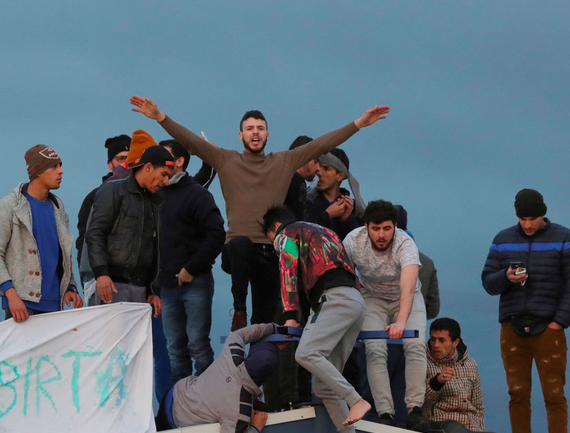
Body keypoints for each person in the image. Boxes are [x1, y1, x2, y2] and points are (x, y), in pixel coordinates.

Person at [130, 95, 389, 331]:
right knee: (241, 245)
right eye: (250, 128)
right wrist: (159, 116)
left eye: (260, 128)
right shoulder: (225, 159)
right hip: (237, 252)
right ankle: (239, 310)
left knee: (265, 322)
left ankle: (256, 347)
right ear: (240, 135)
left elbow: (323, 143)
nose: (255, 132)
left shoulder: (284, 161)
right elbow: (191, 141)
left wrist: (359, 123)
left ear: (267, 135)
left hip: (273, 252)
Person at [480, 188, 570, 433]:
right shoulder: (502, 240)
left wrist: (559, 322)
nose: (527, 224)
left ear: (543, 214)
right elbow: (488, 282)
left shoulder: (566, 239)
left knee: (554, 394)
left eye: (533, 218)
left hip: (549, 327)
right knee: (517, 394)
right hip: (512, 325)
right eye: (523, 219)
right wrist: (506, 277)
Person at [262, 205, 371, 433]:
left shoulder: (286, 234)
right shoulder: (325, 233)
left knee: (306, 353)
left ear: (275, 228)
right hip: (355, 302)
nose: (276, 247)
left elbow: (288, 273)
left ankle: (356, 400)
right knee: (323, 385)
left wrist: (290, 315)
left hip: (333, 299)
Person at [343, 200, 430, 429]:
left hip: (407, 296)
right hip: (372, 296)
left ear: (395, 226)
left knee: (415, 345)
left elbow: (408, 287)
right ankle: (385, 412)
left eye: (387, 228)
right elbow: (343, 273)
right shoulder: (353, 241)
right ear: (366, 227)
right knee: (374, 348)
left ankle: (414, 409)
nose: (381, 235)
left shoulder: (405, 244)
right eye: (376, 228)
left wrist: (401, 321)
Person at [0, 144, 83, 323]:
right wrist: (11, 295)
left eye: (60, 166)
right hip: (21, 304)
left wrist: (70, 287)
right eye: (54, 167)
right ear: (38, 171)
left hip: (54, 305)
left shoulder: (58, 207)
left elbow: (63, 254)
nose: (61, 171)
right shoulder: (8, 206)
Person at [162, 323, 281, 433]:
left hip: (174, 392)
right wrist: (256, 427)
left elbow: (240, 334)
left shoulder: (232, 353)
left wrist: (273, 327)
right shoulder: (239, 410)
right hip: (174, 421)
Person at [157, 140, 225, 381]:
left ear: (179, 161)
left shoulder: (197, 194)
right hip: (165, 286)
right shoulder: (155, 194)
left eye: (164, 156)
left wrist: (191, 268)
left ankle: (206, 399)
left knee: (198, 346)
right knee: (175, 351)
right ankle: (181, 402)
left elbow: (217, 234)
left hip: (196, 282)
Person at [85, 145, 175, 318]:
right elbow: (95, 233)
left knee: (133, 338)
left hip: (141, 291)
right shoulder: (113, 190)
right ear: (148, 167)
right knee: (111, 335)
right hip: (112, 284)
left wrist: (153, 291)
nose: (165, 181)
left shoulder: (156, 202)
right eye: (163, 174)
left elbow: (155, 249)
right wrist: (101, 274)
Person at [76, 134, 132, 264]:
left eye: (131, 158)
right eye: (121, 158)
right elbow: (84, 240)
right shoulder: (94, 197)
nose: (126, 163)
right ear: (109, 164)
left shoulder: (148, 193)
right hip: (102, 271)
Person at [302, 151, 362, 239]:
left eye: (326, 168)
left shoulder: (354, 208)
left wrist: (347, 218)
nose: (319, 172)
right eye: (319, 166)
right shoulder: (306, 202)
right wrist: (327, 215)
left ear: (340, 176)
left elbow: (359, 242)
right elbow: (300, 233)